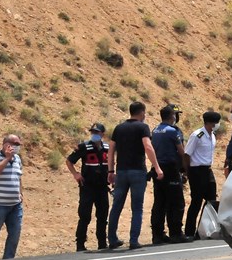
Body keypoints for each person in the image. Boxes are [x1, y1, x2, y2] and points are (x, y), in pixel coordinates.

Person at [107, 102, 163, 250]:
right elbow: (148, 146)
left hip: (121, 171)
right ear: (142, 113)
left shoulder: (119, 128)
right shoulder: (142, 127)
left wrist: (110, 171)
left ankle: (112, 239)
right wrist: (157, 167)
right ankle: (133, 240)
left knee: (116, 206)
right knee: (137, 207)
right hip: (138, 170)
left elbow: (111, 150)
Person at [65, 123, 110, 251]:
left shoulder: (107, 147)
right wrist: (76, 174)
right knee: (85, 216)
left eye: (97, 132)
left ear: (102, 134)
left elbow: (110, 163)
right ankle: (80, 244)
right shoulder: (84, 146)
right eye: (93, 132)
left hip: (102, 187)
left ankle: (102, 243)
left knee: (102, 216)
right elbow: (69, 161)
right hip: (87, 187)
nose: (94, 135)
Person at [150, 105, 187, 244]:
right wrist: (185, 168)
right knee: (176, 202)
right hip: (170, 168)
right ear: (172, 116)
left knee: (160, 202)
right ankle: (176, 232)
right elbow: (181, 151)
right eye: (175, 115)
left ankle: (157, 234)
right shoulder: (173, 131)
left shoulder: (155, 130)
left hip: (158, 168)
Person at [184, 111, 221, 238]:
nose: (218, 125)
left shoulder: (212, 136)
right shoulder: (197, 135)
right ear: (210, 123)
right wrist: (188, 172)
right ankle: (189, 232)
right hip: (196, 171)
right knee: (196, 201)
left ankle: (203, 231)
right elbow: (187, 154)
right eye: (216, 123)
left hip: (208, 170)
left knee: (211, 201)